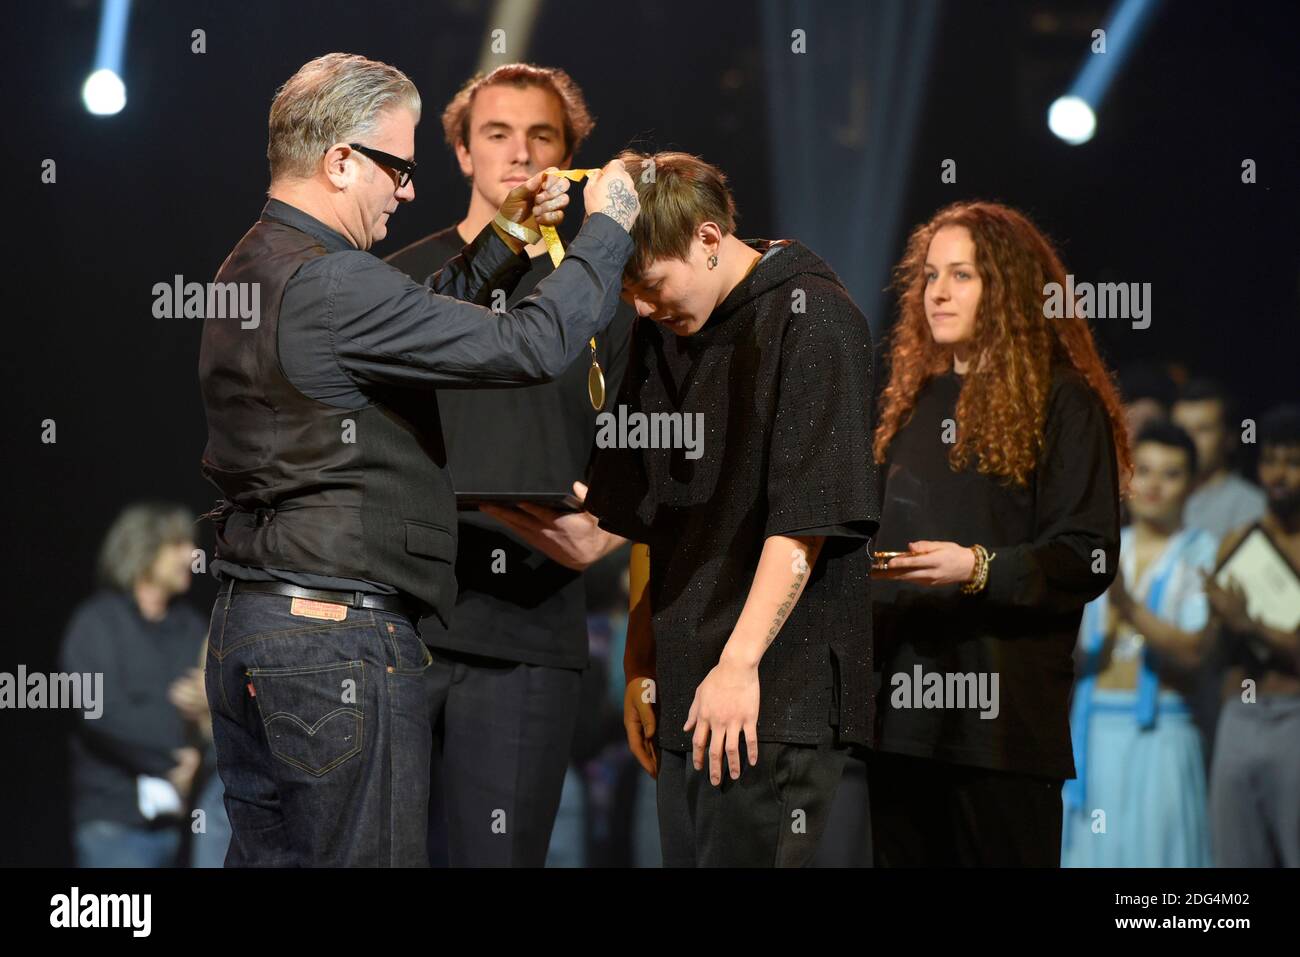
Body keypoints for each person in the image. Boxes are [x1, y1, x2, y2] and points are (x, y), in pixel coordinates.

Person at [198, 52, 640, 867]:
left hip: (255, 625)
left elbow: (411, 322)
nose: (407, 189)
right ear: (338, 160)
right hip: (337, 639)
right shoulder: (336, 283)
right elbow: (531, 342)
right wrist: (608, 228)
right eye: (395, 168)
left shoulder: (252, 266)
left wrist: (506, 235)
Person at [581, 150, 879, 867]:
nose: (645, 308)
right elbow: (653, 515)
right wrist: (639, 665)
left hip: (774, 692)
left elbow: (807, 518)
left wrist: (740, 661)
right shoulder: (662, 330)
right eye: (629, 295)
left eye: (651, 285)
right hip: (687, 684)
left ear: (709, 239)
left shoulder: (815, 318)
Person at [385, 63, 634, 867]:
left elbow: (653, 445)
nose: (519, 154)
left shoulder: (599, 292)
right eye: (496, 133)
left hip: (532, 634)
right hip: (402, 627)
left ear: (570, 155)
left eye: (542, 136)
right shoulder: (403, 283)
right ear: (460, 150)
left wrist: (620, 527)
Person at [869, 200, 1127, 867]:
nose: (939, 292)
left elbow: (1086, 553)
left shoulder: (1065, 401)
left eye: (963, 274)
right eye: (929, 275)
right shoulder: (910, 406)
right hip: (899, 727)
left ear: (1006, 287)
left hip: (1003, 733)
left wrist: (978, 567)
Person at [1061, 422, 1215, 867]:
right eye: (1143, 470)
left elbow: (1193, 654)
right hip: (1091, 731)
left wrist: (1129, 608)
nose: (1153, 485)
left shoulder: (1201, 551)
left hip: (1163, 734)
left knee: (1161, 854)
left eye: (1171, 474)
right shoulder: (1103, 548)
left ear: (1193, 483)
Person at [60, 503, 207, 867]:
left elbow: (220, 709)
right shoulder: (97, 623)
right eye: (178, 544)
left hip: (181, 828)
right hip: (115, 825)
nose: (192, 555)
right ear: (144, 550)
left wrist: (201, 756)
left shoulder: (191, 627)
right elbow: (100, 713)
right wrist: (179, 756)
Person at [1206, 403, 1300, 866]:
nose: (1278, 474)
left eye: (1293, 462)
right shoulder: (1238, 542)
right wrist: (1214, 614)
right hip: (1240, 717)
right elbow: (1212, 649)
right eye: (1270, 460)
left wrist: (1249, 622)